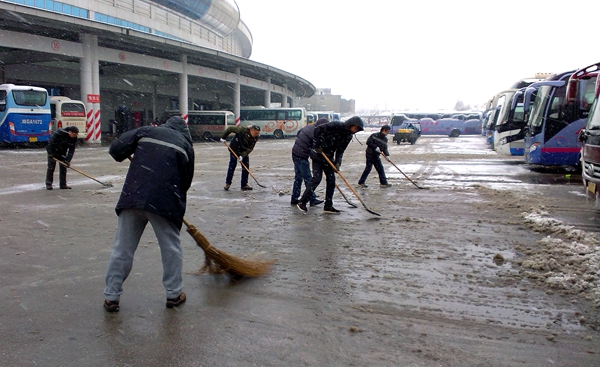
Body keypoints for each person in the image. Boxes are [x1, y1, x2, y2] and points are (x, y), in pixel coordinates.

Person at [103, 115, 195, 312]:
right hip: (164, 202)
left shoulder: (147, 131)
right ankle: (173, 294)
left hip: (133, 196)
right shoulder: (186, 145)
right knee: (171, 249)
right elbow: (185, 183)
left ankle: (111, 296)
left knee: (122, 249)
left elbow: (116, 149)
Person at [297, 116, 364, 214]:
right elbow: (317, 129)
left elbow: (340, 151)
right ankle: (302, 201)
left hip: (328, 157)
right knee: (317, 178)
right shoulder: (336, 125)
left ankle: (328, 205)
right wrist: (317, 145)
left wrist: (337, 163)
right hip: (318, 154)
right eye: (356, 128)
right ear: (351, 124)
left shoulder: (348, 136)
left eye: (357, 129)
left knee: (331, 180)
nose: (355, 130)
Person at [290, 118, 328, 206]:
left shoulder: (308, 127)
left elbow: (298, 133)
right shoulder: (316, 133)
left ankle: (294, 198)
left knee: (298, 177)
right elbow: (315, 148)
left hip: (295, 153)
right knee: (308, 178)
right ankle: (312, 198)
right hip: (301, 155)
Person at [220, 124, 260, 191]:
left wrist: (242, 156)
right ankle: (228, 183)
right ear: (251, 130)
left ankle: (244, 185)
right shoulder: (242, 130)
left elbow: (250, 149)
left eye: (258, 133)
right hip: (234, 149)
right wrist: (223, 137)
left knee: (246, 167)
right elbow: (230, 129)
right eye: (255, 133)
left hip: (243, 151)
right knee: (232, 166)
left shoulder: (255, 138)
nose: (256, 134)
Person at [45, 126, 79, 190]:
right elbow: (50, 143)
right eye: (74, 134)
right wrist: (50, 153)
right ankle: (48, 184)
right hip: (53, 152)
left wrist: (68, 160)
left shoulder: (74, 138)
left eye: (76, 135)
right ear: (69, 132)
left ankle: (63, 184)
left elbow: (71, 150)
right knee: (51, 168)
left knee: (63, 168)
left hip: (62, 153)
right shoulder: (59, 133)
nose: (75, 136)